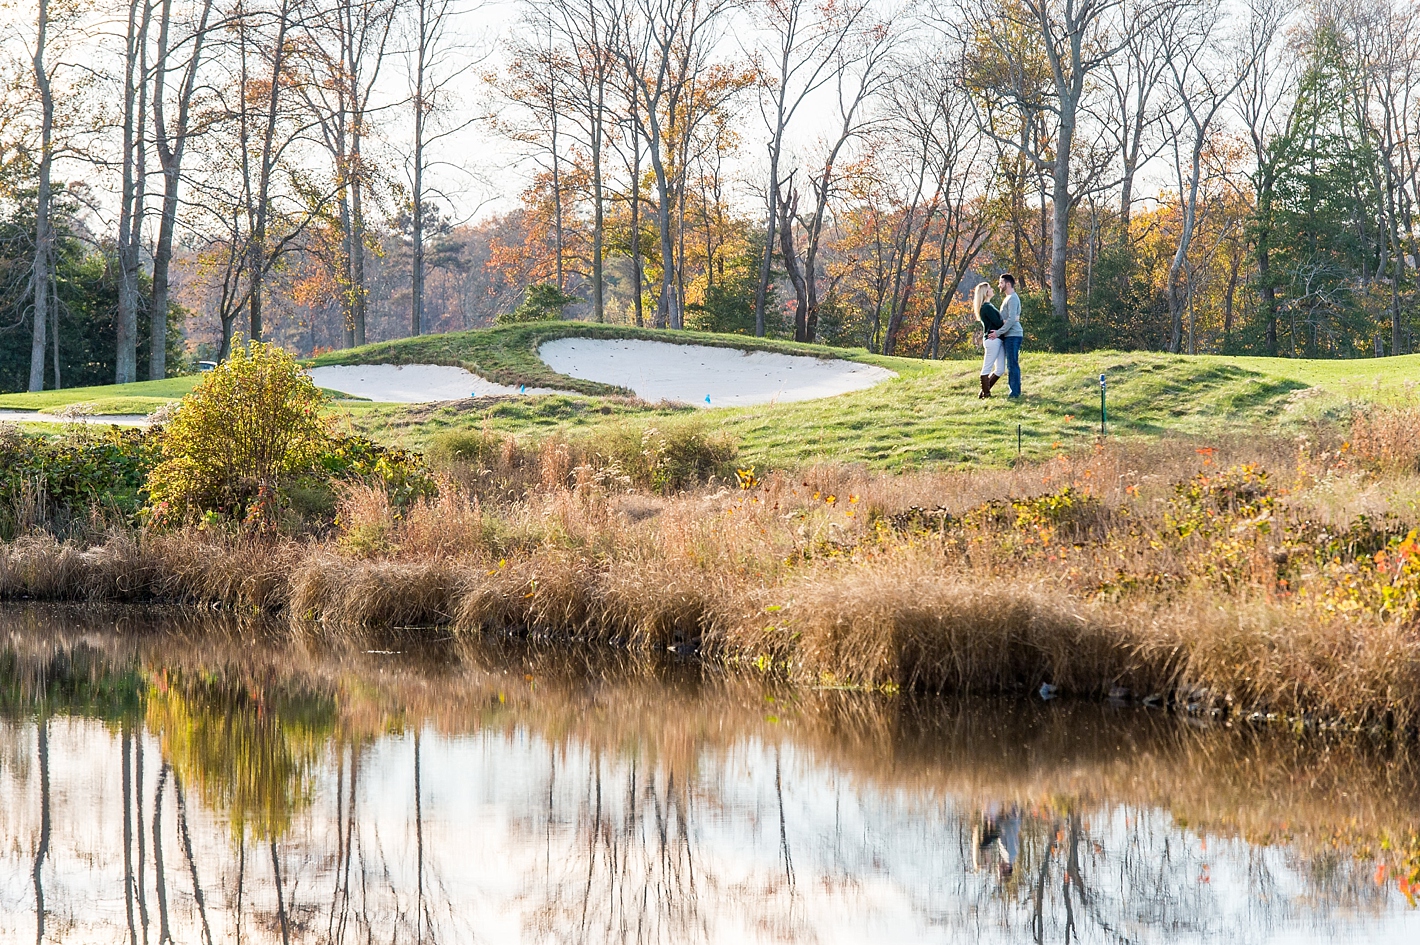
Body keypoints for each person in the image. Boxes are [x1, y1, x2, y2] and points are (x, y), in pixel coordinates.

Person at [987, 273, 1023, 398]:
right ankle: (1014, 391)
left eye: (1001, 283)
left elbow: (1012, 319)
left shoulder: (1012, 298)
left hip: (1013, 335)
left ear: (1008, 284)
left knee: (1012, 363)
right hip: (1008, 336)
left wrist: (998, 332)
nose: (999, 285)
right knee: (1010, 364)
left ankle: (1015, 393)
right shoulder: (1008, 298)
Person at [972, 282, 1005, 398]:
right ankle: (986, 394)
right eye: (990, 288)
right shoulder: (986, 307)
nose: (992, 290)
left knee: (1000, 369)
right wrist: (1009, 321)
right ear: (985, 293)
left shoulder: (989, 306)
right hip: (992, 340)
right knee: (987, 367)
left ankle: (983, 392)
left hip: (997, 339)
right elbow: (998, 322)